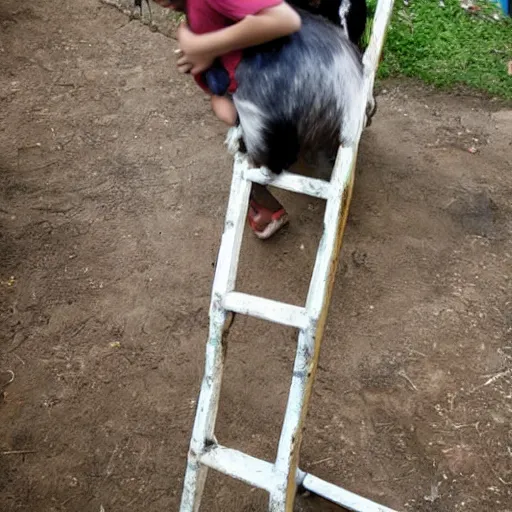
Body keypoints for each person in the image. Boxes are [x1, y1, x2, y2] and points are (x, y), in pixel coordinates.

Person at [152, 0, 301, 238]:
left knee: (231, 115)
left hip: (299, 87)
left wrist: (206, 46)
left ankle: (262, 202)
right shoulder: (193, 14)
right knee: (223, 103)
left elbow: (286, 20)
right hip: (292, 78)